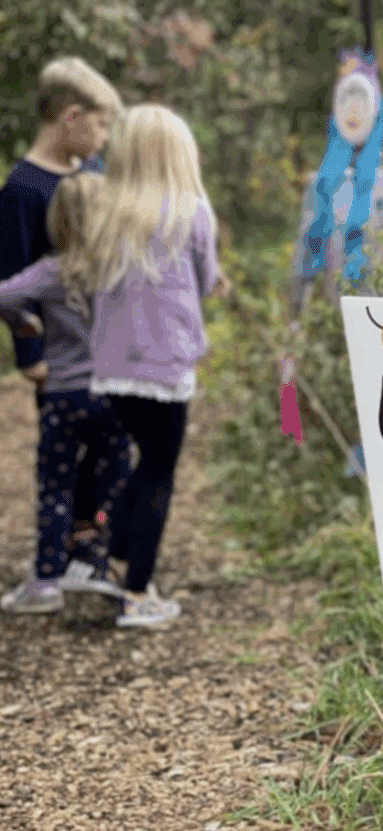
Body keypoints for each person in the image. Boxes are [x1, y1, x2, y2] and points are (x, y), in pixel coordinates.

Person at [84, 104, 228, 627]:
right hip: (165, 370)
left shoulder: (106, 212)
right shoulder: (191, 211)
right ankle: (138, 594)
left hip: (113, 370)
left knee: (147, 462)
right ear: (178, 155)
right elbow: (207, 278)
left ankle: (116, 560)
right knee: (159, 473)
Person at [0, 56, 124, 564]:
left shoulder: (92, 173)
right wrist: (29, 352)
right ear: (70, 117)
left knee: (109, 454)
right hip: (60, 361)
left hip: (109, 355)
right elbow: (11, 280)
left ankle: (86, 539)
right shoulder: (21, 191)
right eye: (100, 124)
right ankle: (63, 546)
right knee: (63, 458)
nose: (104, 136)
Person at [0, 172, 132, 613]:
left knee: (56, 485)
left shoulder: (50, 271)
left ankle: (46, 580)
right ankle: (95, 565)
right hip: (115, 395)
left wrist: (26, 324)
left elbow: (5, 296)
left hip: (63, 396)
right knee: (110, 482)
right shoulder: (123, 269)